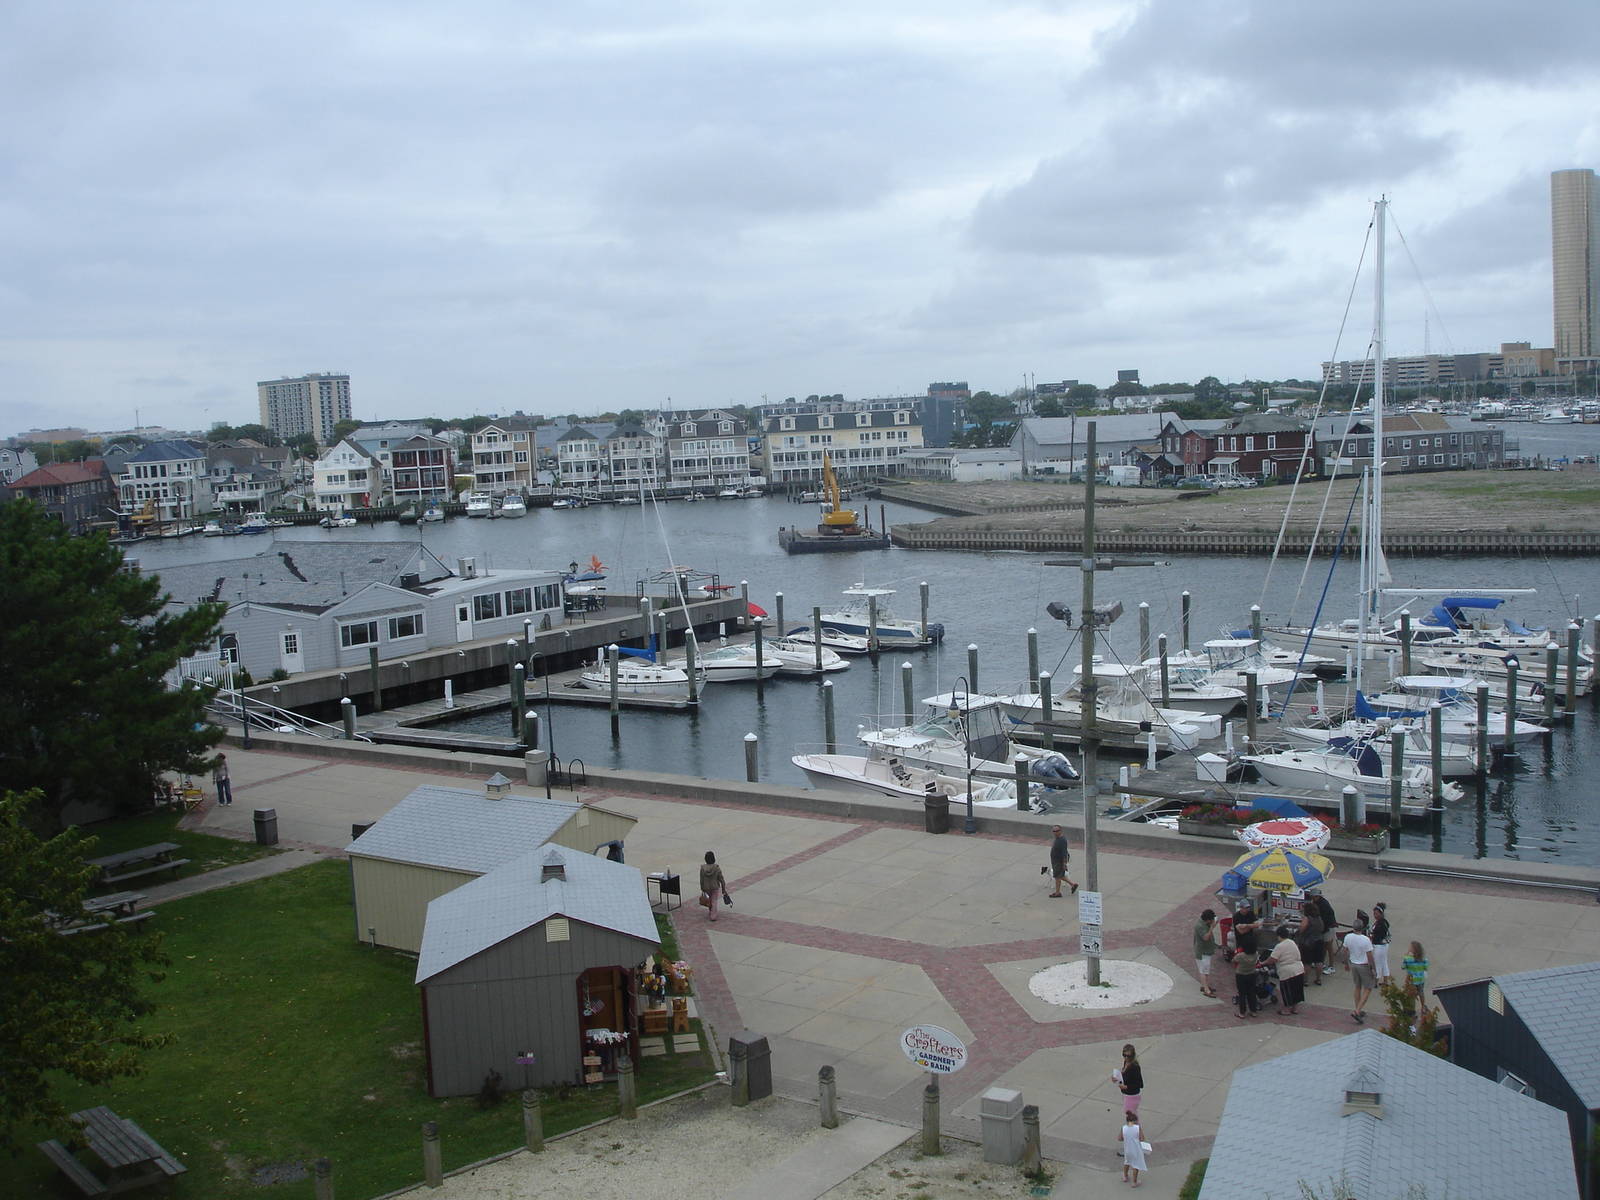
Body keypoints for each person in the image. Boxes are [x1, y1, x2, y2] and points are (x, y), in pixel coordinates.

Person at [1232, 903, 1263, 1019]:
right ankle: (1253, 1011)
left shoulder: (1240, 956)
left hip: (1241, 975)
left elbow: (1234, 960)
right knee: (1251, 993)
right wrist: (1251, 926)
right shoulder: (1255, 955)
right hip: (1251, 973)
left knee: (1242, 993)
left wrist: (1245, 926)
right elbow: (1243, 929)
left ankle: (1242, 1012)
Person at [1265, 925, 1305, 1015]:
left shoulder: (1280, 946)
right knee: (1297, 990)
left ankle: (1286, 1010)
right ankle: (1295, 1008)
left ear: (1279, 936)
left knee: (1287, 991)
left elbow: (1272, 959)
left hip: (1287, 972)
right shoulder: (1292, 942)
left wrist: (1263, 963)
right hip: (1299, 969)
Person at [1343, 911, 1376, 1022]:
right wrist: (1373, 968)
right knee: (1368, 988)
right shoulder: (1365, 940)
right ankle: (1357, 1011)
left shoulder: (1348, 937)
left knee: (1357, 986)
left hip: (1353, 964)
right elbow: (1370, 956)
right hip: (1364, 965)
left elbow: (1345, 951)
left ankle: (1357, 1008)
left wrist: (1346, 963)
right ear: (1363, 928)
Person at [1297, 901, 1326, 985]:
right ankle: (1318, 979)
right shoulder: (1319, 918)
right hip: (1319, 941)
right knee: (1319, 961)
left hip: (1308, 943)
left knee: (1307, 962)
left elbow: (1302, 928)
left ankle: (1305, 980)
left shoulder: (1307, 918)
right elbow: (1322, 928)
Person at [1193, 908, 1219, 997]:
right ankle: (1206, 990)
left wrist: (1213, 924)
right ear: (1207, 920)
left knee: (1206, 970)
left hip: (1207, 951)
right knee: (1203, 971)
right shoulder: (1199, 926)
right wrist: (1212, 927)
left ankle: (1205, 985)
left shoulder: (1205, 922)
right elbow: (1205, 938)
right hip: (1202, 952)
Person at [1113, 1044, 1144, 1117]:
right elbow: (1126, 1077)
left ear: (1133, 1055)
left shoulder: (1135, 1067)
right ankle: (1137, 1128)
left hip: (1132, 1095)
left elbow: (1139, 1084)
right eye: (1124, 1055)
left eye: (1128, 1056)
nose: (1126, 1057)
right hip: (1127, 1095)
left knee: (1131, 1117)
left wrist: (1126, 1087)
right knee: (1132, 1116)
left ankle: (1136, 1128)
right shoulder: (1126, 1062)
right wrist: (1116, 1078)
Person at [1047, 825, 1078, 897]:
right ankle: (1073, 885)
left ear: (1060, 831)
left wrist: (1064, 863)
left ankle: (1057, 893)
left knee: (1057, 877)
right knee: (1060, 875)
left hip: (1059, 861)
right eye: (1054, 831)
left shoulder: (1062, 840)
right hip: (1055, 861)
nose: (1055, 833)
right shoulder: (1057, 839)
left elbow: (1064, 852)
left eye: (1057, 831)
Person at [1120, 1111, 1148, 1188]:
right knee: (1136, 1166)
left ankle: (1125, 1177)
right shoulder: (1137, 1128)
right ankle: (1134, 1182)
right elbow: (1142, 1139)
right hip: (1136, 1150)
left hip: (1127, 1149)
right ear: (1135, 1121)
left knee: (1127, 1162)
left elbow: (1120, 1138)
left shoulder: (1124, 1128)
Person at [698, 851, 728, 922]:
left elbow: (701, 879)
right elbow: (721, 879)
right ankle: (713, 916)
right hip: (715, 887)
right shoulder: (716, 868)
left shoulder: (702, 868)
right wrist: (723, 888)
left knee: (709, 900)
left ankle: (710, 911)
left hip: (706, 887)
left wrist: (702, 888)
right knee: (714, 901)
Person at [1313, 891, 1338, 974]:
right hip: (1326, 927)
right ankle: (1322, 962)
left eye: (1315, 896)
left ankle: (1331, 967)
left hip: (1329, 928)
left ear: (1318, 896)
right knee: (1323, 946)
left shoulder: (1324, 905)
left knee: (1329, 947)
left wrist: (1322, 930)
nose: (1313, 898)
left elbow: (1326, 919)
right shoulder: (1317, 902)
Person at [1370, 902, 1393, 984]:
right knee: (1384, 962)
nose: (1374, 915)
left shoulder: (1380, 924)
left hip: (1379, 946)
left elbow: (1376, 935)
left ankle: (1376, 981)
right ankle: (1385, 981)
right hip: (1384, 945)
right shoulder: (1383, 922)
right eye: (1374, 913)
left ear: (1381, 913)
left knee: (1377, 963)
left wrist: (1371, 936)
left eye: (1376, 913)